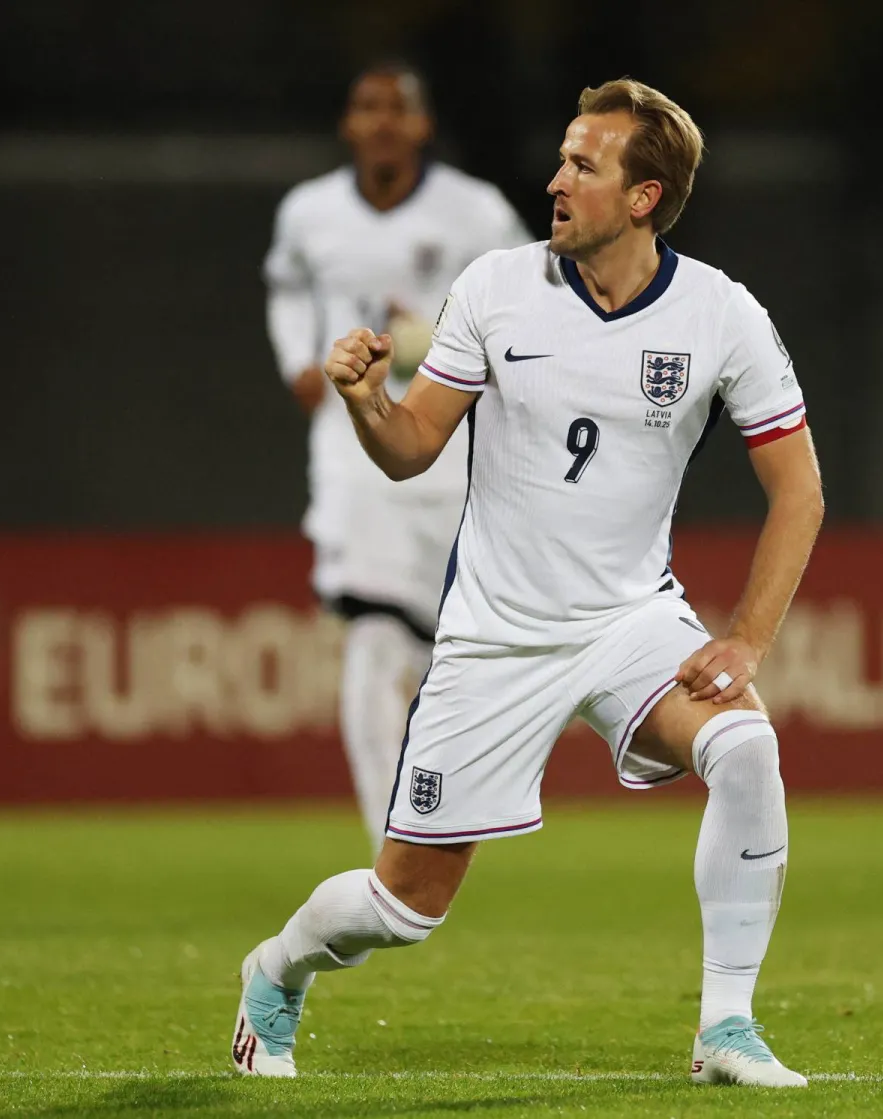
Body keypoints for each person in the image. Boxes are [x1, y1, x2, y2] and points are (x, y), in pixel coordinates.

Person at [236, 77, 824, 1087]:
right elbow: (414, 448)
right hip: (495, 639)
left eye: (582, 165)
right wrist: (370, 401)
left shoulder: (722, 313)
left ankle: (725, 1028)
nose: (555, 180)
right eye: (561, 157)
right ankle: (274, 970)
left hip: (632, 623)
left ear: (643, 197)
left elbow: (800, 491)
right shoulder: (494, 288)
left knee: (746, 746)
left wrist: (748, 640)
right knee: (404, 909)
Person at [264, 63, 530, 848]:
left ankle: (450, 806)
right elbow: (285, 286)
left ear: (421, 125)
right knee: (373, 629)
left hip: (445, 447)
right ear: (349, 123)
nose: (382, 121)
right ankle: (392, 841)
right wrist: (297, 360)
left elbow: (532, 290)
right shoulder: (308, 211)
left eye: (398, 109)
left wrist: (438, 337)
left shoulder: (475, 211)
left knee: (447, 645)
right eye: (368, 107)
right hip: (350, 448)